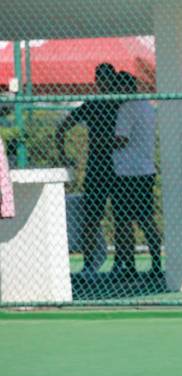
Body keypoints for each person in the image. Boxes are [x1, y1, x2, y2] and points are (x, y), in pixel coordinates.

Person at [56, 63, 122, 279]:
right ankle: (89, 265)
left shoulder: (121, 103)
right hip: (98, 168)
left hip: (119, 168)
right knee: (92, 218)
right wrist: (63, 155)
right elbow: (62, 128)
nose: (104, 82)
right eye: (101, 78)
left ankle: (121, 264)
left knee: (122, 218)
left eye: (107, 78)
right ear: (97, 81)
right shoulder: (93, 104)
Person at [111, 71, 162, 279]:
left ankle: (130, 267)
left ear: (123, 88)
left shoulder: (126, 108)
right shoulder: (147, 106)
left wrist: (102, 141)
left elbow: (121, 139)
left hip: (126, 172)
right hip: (145, 170)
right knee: (146, 218)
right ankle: (156, 264)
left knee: (124, 221)